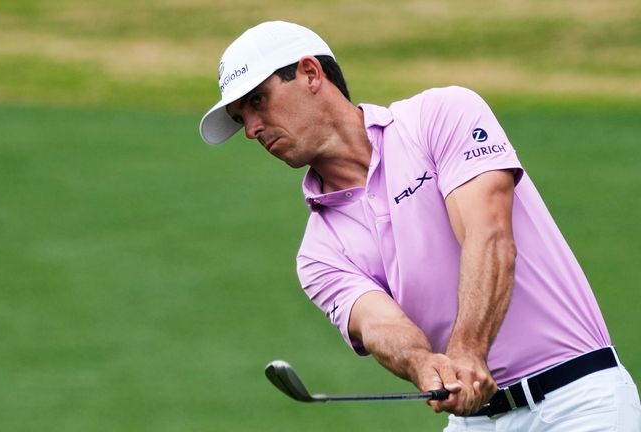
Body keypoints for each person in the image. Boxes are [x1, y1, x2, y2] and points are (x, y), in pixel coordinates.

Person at [199, 21, 641, 431]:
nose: (253, 129)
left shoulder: (440, 116)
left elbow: (489, 236)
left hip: (581, 399)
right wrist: (424, 364)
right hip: (476, 422)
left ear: (311, 74)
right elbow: (379, 326)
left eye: (258, 102)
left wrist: (468, 349)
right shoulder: (318, 254)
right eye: (241, 119)